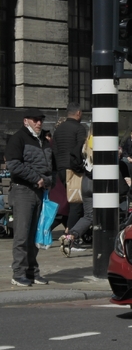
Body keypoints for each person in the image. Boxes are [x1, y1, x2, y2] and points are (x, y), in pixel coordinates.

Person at [5, 108, 54, 286]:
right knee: (22, 234)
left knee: (35, 234)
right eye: (35, 120)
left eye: (40, 119)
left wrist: (47, 181)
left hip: (40, 192)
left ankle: (32, 271)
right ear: (26, 121)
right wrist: (37, 179)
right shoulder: (18, 138)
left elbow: (50, 166)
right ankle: (18, 273)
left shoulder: (44, 141)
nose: (39, 122)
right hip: (23, 190)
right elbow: (13, 165)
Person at [59, 126, 94, 256]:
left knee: (89, 216)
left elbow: (73, 160)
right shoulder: (103, 143)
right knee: (105, 214)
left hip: (85, 182)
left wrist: (81, 169)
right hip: (98, 183)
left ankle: (71, 236)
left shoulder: (84, 144)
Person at [52, 102, 86, 231]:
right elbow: (80, 149)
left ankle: (69, 229)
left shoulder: (58, 130)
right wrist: (79, 167)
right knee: (77, 203)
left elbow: (54, 150)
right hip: (74, 170)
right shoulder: (79, 128)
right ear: (78, 113)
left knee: (70, 201)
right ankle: (71, 235)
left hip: (61, 168)